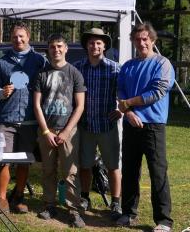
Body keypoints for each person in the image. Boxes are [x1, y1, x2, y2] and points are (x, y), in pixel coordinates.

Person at [0, 21, 47, 216]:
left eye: (21, 36)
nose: (18, 40)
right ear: (10, 38)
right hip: (7, 119)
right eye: (14, 37)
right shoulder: (2, 62)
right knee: (2, 159)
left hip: (30, 120)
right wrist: (2, 92)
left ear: (28, 37)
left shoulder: (39, 61)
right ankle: (1, 200)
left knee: (24, 160)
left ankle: (19, 196)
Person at [116, 22, 174, 232]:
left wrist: (129, 104)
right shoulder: (128, 66)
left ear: (152, 40)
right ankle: (128, 213)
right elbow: (120, 91)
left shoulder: (162, 64)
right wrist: (128, 113)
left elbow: (157, 92)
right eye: (137, 39)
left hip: (154, 126)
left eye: (145, 39)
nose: (141, 43)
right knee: (130, 171)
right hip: (131, 125)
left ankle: (164, 220)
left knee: (158, 173)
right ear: (133, 41)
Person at [33, 33, 86, 228]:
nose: (56, 50)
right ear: (48, 49)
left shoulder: (75, 73)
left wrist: (65, 132)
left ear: (66, 49)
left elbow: (80, 106)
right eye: (52, 46)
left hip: (69, 131)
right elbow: (37, 105)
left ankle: (73, 210)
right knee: (48, 170)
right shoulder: (41, 74)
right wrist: (46, 132)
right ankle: (49, 204)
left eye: (59, 46)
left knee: (70, 171)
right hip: (46, 130)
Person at [73, 27, 123, 220]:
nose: (95, 46)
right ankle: (85, 198)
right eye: (91, 42)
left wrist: (121, 109)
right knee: (85, 165)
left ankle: (116, 202)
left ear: (104, 46)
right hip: (85, 126)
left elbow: (124, 93)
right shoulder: (78, 68)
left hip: (107, 126)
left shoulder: (115, 68)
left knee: (112, 166)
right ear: (86, 45)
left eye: (99, 43)